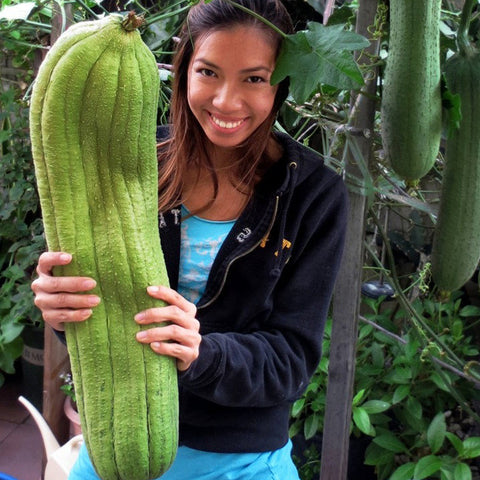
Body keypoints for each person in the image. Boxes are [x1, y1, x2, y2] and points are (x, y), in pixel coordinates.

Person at [31, 0, 348, 478]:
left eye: (254, 78)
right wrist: (64, 308)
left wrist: (203, 352)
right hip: (114, 436)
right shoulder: (138, 164)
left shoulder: (313, 195)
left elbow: (292, 360)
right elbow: (110, 310)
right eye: (209, 72)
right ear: (183, 72)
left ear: (280, 83)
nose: (226, 101)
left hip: (238, 458)